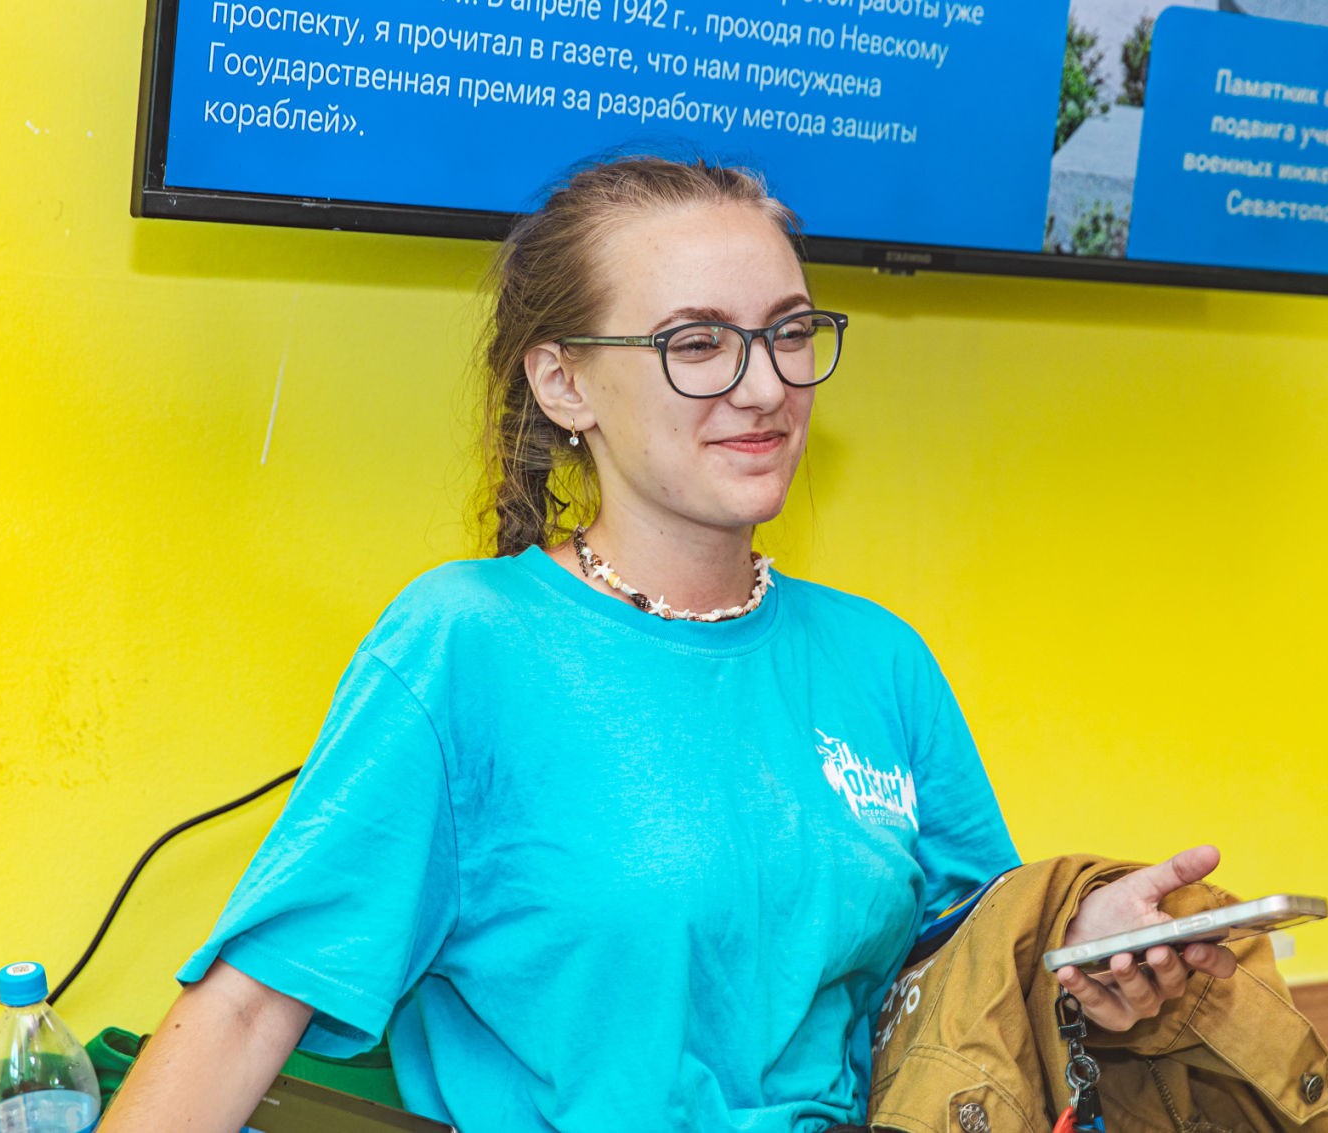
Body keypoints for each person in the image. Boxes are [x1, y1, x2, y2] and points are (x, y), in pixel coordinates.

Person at [100, 157, 1236, 1133]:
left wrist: (1084, 952)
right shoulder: (465, 644)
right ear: (564, 382)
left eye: (788, 332)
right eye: (697, 342)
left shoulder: (881, 659)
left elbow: (964, 981)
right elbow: (246, 1009)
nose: (765, 386)